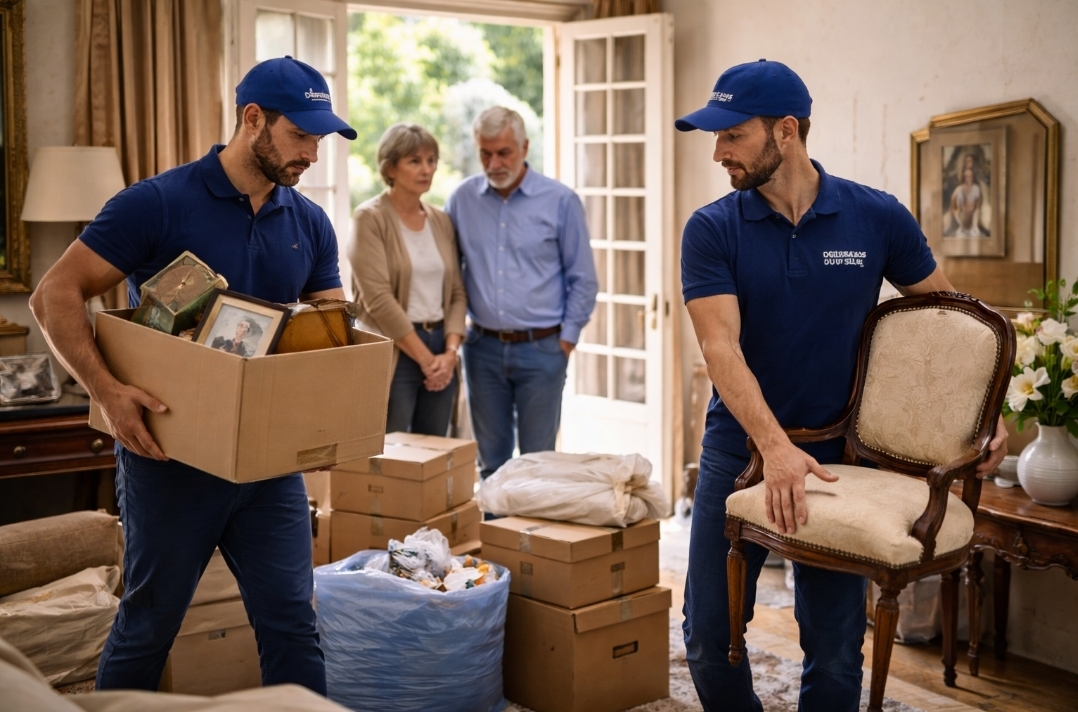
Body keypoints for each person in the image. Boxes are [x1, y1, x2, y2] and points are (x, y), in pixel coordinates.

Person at [674, 59, 1008, 712]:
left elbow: (950, 323)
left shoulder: (875, 218)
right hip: (737, 452)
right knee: (710, 636)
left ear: (787, 133)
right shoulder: (712, 229)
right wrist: (773, 448)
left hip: (838, 461)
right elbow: (721, 349)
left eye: (732, 135)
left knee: (832, 649)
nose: (718, 153)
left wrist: (982, 421)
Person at [29, 56, 356, 694]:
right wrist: (106, 391)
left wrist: (332, 409)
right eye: (300, 136)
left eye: (319, 140)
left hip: (269, 465)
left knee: (293, 622)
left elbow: (331, 335)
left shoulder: (310, 223)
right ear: (252, 119)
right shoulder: (155, 203)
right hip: (170, 458)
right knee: (150, 623)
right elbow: (55, 295)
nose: (312, 154)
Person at [444, 107, 598, 480]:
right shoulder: (462, 200)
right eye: (485, 153)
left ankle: (533, 540)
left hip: (543, 350)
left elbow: (584, 279)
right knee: (491, 466)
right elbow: (450, 275)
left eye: (504, 152)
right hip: (482, 349)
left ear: (525, 147)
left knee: (539, 466)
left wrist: (565, 343)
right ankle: (497, 537)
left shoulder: (560, 201)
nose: (494, 163)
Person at [349, 123, 466, 436]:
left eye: (431, 161)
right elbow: (378, 299)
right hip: (395, 349)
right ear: (390, 167)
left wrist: (449, 355)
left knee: (434, 452)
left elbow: (456, 292)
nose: (426, 169)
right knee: (390, 456)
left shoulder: (441, 220)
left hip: (442, 347)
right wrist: (427, 359)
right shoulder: (369, 218)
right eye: (415, 161)